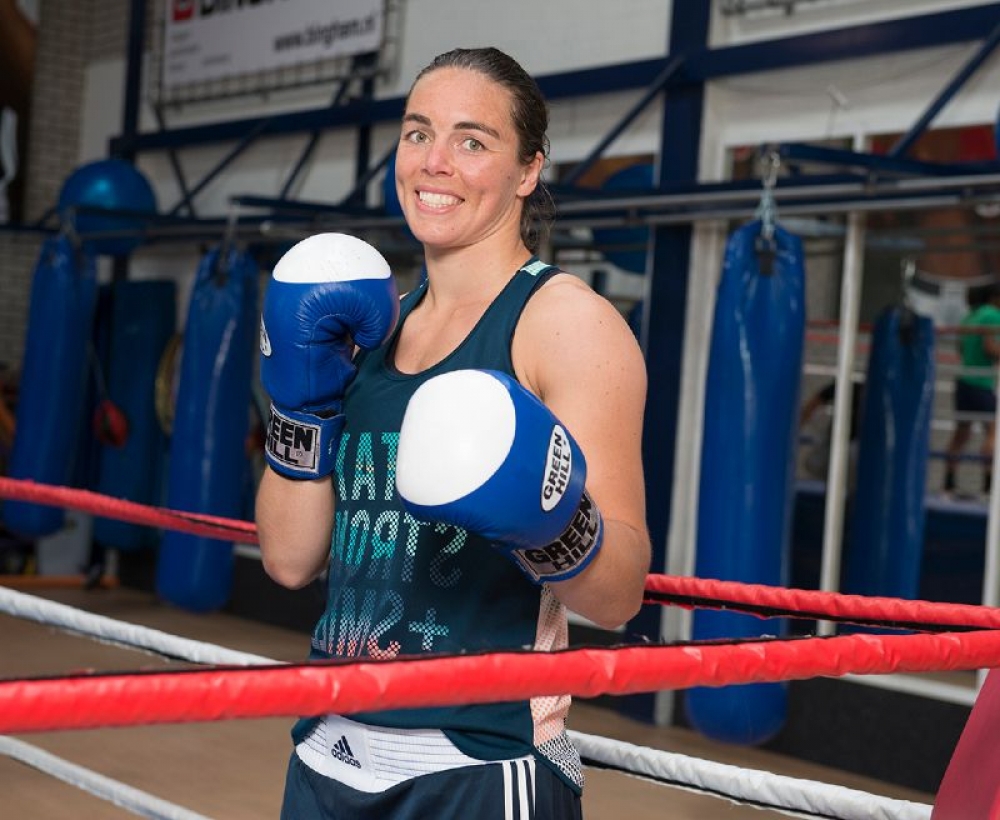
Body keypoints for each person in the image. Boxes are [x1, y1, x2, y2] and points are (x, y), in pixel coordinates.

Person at [255, 46, 651, 819]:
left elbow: (621, 592)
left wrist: (541, 516)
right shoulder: (369, 326)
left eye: (473, 141)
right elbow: (288, 558)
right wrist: (299, 411)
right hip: (328, 743)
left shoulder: (566, 325)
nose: (434, 162)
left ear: (528, 170)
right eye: (416, 133)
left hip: (480, 757)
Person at [943, 282, 1000, 497]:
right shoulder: (993, 315)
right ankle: (988, 485)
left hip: (964, 381)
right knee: (993, 432)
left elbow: (960, 347)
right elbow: (990, 347)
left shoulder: (969, 317)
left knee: (961, 434)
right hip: (981, 382)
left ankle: (948, 482)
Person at [799, 379, 864, 486]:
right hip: (837, 442)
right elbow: (814, 403)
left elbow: (814, 403)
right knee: (814, 463)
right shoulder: (851, 388)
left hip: (851, 444)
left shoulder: (853, 389)